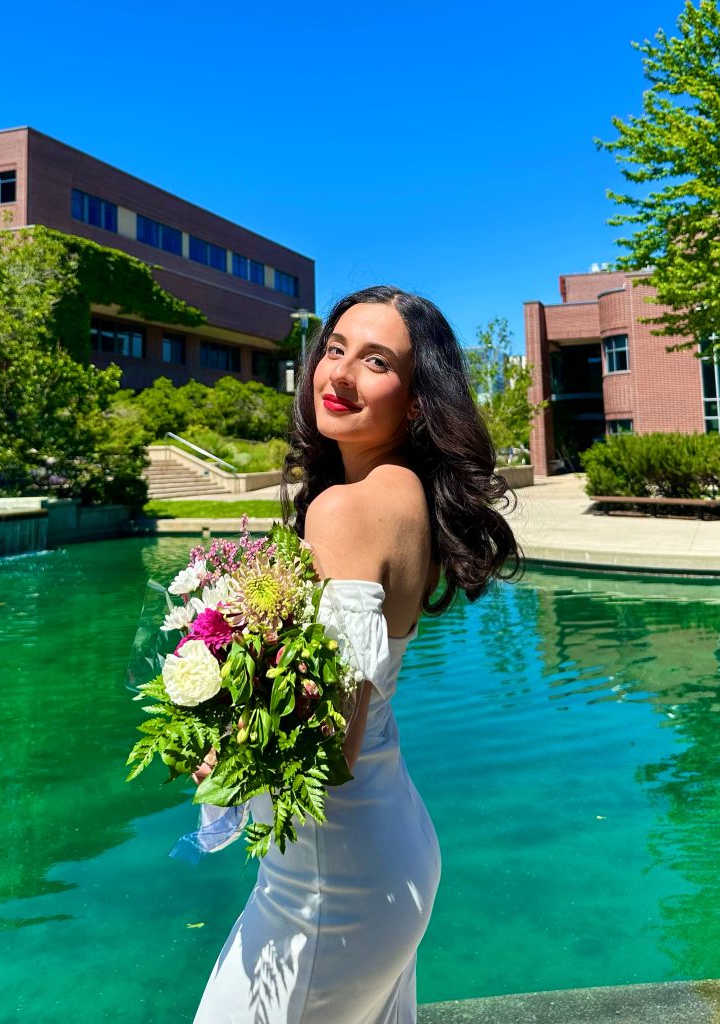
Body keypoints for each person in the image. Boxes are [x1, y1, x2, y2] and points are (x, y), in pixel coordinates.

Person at [192, 285, 520, 1023]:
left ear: (415, 401)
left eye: (375, 361)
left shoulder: (346, 508)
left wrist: (225, 739)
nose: (338, 374)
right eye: (333, 349)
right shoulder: (403, 494)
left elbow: (330, 743)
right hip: (383, 846)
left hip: (328, 878)